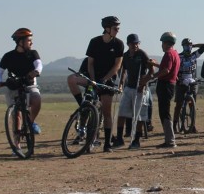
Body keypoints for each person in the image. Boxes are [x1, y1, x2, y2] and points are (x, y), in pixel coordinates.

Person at [66, 16, 124, 153]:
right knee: (71, 79)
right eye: (115, 28)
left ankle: (107, 143)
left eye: (118, 28)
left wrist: (105, 79)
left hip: (107, 80)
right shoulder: (94, 42)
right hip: (93, 78)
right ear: (107, 28)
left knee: (107, 112)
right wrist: (93, 80)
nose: (118, 30)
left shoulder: (119, 44)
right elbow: (90, 63)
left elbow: (117, 65)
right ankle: (83, 106)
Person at [0, 28, 43, 135]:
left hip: (29, 85)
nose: (31, 43)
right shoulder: (8, 56)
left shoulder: (33, 53)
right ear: (20, 42)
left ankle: (30, 122)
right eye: (29, 40)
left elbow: (39, 65)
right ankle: (17, 143)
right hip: (13, 86)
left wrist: (36, 72)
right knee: (16, 115)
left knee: (37, 100)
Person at [114, 34, 155, 150]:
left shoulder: (142, 54)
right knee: (121, 112)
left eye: (137, 43)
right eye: (133, 43)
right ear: (128, 44)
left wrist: (144, 81)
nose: (135, 45)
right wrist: (121, 84)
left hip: (140, 88)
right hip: (129, 87)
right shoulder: (125, 56)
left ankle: (136, 140)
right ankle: (119, 139)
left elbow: (151, 70)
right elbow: (123, 71)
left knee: (139, 116)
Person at [142, 32, 181, 148]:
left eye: (162, 43)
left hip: (165, 85)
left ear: (166, 43)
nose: (162, 45)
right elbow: (167, 67)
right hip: (170, 85)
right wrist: (156, 64)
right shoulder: (175, 54)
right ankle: (169, 139)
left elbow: (166, 70)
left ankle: (170, 140)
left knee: (164, 112)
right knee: (165, 111)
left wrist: (152, 76)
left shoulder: (168, 54)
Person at [174, 38, 204, 134]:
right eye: (186, 45)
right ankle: (174, 125)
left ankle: (192, 126)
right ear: (182, 46)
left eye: (189, 45)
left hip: (193, 82)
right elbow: (175, 68)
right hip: (181, 81)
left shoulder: (194, 55)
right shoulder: (179, 56)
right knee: (179, 104)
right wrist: (177, 78)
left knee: (192, 104)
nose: (188, 47)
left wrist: (194, 45)